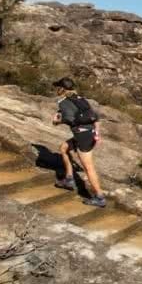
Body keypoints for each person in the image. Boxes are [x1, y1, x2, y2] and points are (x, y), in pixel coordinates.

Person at [52, 77, 106, 208]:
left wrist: (56, 121)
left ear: (61, 89)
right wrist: (97, 134)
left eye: (57, 88)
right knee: (64, 148)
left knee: (89, 168)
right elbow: (96, 117)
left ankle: (99, 197)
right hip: (89, 133)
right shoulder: (80, 99)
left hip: (83, 136)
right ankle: (69, 179)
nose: (55, 90)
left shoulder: (64, 102)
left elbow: (69, 119)